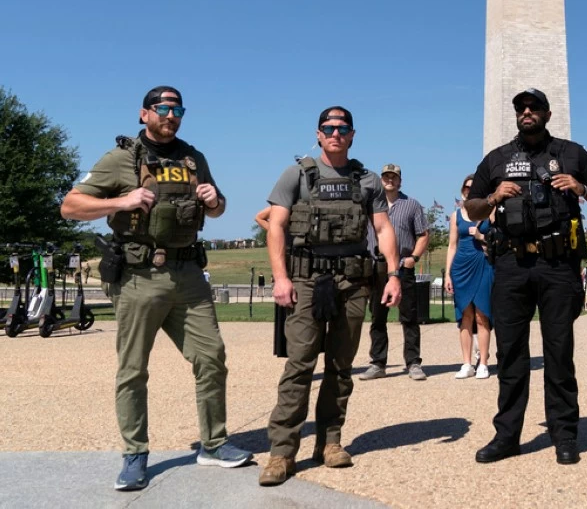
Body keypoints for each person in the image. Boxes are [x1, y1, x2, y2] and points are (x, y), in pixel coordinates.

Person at [60, 86, 252, 491]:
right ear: (144, 113)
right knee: (133, 369)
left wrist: (215, 200)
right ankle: (134, 455)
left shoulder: (193, 157)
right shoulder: (119, 159)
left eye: (177, 108)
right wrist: (121, 201)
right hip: (138, 275)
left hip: (187, 274)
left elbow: (217, 209)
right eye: (162, 108)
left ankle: (214, 444)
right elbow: (70, 206)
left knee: (212, 356)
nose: (170, 114)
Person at [464, 88, 587, 466]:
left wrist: (579, 187)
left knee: (559, 353)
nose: (526, 112)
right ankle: (507, 436)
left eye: (534, 107)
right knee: (510, 353)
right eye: (521, 107)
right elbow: (471, 207)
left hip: (558, 265)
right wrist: (494, 196)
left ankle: (564, 434)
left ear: (547, 114)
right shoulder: (497, 158)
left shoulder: (571, 153)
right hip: (512, 266)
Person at [259, 106, 401, 487]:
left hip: (353, 282)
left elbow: (383, 228)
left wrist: (393, 274)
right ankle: (282, 452)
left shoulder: (366, 180)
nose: (335, 133)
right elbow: (276, 227)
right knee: (300, 364)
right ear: (319, 134)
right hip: (306, 281)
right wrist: (281, 278)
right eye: (328, 128)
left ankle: (330, 441)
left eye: (342, 128)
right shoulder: (296, 175)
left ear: (352, 135)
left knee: (341, 366)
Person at [360, 163, 429, 382]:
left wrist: (414, 258)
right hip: (375, 266)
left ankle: (413, 363)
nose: (390, 180)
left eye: (394, 177)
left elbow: (423, 234)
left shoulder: (412, 205)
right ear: (381, 179)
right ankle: (378, 363)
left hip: (401, 267)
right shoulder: (370, 205)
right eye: (386, 176)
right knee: (377, 318)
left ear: (400, 181)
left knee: (409, 317)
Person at [446, 175, 495, 379]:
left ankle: (483, 362)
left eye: (473, 188)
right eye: (466, 188)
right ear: (462, 190)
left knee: (482, 315)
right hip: (461, 267)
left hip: (483, 264)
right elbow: (452, 245)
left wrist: (481, 236)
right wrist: (448, 274)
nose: (469, 191)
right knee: (465, 316)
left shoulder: (490, 213)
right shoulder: (456, 215)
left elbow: (497, 240)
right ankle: (466, 363)